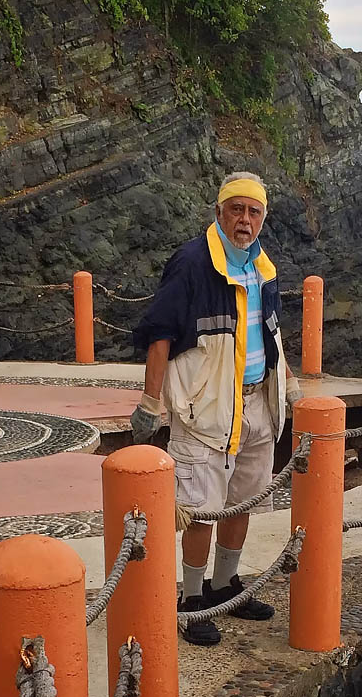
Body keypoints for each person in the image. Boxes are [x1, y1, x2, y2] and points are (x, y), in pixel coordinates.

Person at [130, 172, 303, 646]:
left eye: (254, 211)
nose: (245, 220)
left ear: (263, 218)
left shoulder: (264, 268)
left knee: (241, 502)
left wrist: (289, 386)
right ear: (219, 212)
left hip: (256, 407)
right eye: (237, 210)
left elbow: (272, 333)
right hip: (204, 412)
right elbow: (159, 333)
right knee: (201, 511)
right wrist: (150, 402)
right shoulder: (190, 263)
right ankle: (190, 601)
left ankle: (226, 587)